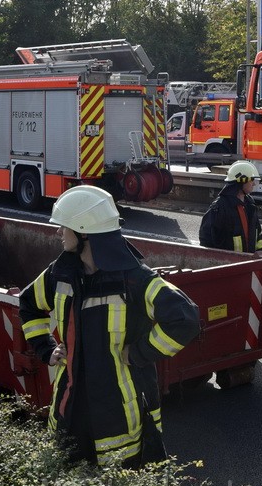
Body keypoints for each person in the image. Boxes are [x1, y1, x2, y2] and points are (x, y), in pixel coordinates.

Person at [18, 185, 200, 467]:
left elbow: (184, 319)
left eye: (63, 227)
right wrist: (46, 348)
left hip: (119, 417)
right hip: (71, 408)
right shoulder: (61, 271)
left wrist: (138, 352)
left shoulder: (134, 279)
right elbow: (29, 303)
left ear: (84, 232)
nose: (58, 233)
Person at [198, 160, 262, 257]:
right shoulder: (220, 207)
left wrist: (261, 251)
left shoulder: (250, 204)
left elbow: (257, 234)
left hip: (248, 264)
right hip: (229, 267)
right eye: (251, 180)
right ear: (241, 180)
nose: (254, 184)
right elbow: (206, 239)